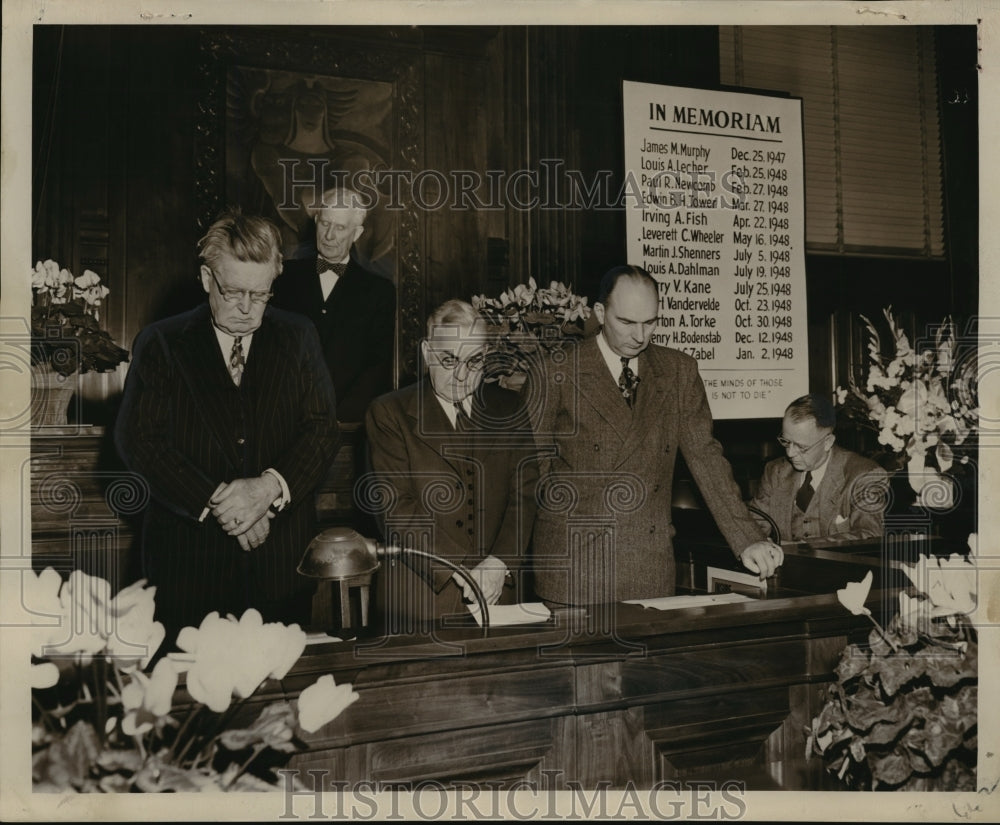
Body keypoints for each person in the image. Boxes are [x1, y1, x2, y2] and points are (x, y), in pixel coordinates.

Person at [115, 208, 339, 642]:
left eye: (260, 294)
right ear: (206, 278)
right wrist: (223, 502)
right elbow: (140, 440)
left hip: (279, 569)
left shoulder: (299, 336)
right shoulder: (161, 342)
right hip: (188, 570)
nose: (246, 308)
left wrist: (268, 489)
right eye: (234, 291)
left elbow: (321, 430)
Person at [529, 265, 782, 607]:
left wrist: (747, 538)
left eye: (650, 322)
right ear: (600, 313)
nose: (640, 335)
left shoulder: (678, 371)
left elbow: (707, 459)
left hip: (647, 566)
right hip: (574, 568)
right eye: (627, 322)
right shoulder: (556, 369)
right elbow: (530, 466)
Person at [363, 300, 538, 624]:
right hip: (419, 600)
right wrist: (467, 570)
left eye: (473, 362)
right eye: (449, 360)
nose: (461, 375)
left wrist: (499, 563)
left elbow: (525, 495)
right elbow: (398, 510)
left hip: (499, 594)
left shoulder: (510, 408)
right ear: (429, 354)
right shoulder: (390, 413)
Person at [271, 185, 395, 422]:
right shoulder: (283, 278)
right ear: (316, 220)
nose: (329, 236)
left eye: (340, 227)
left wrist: (341, 418)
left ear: (356, 233)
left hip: (345, 424)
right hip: (284, 418)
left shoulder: (379, 292)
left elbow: (378, 365)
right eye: (325, 223)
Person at [750, 394, 889, 543]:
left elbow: (870, 535)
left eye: (802, 447)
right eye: (786, 441)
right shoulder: (775, 472)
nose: (790, 453)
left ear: (828, 442)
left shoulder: (865, 476)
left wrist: (801, 548)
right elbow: (751, 526)